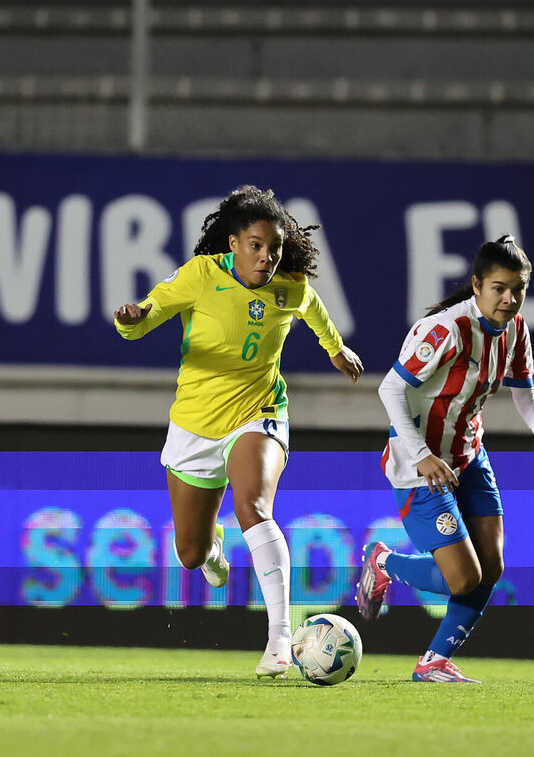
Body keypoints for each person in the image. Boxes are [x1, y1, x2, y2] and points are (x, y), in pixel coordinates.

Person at [114, 185, 364, 678]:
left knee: (254, 505)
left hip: (259, 412)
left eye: (274, 246)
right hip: (195, 424)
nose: (267, 256)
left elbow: (312, 308)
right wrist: (131, 321)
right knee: (189, 553)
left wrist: (335, 349)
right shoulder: (199, 277)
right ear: (233, 244)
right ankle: (213, 547)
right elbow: (146, 319)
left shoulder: (288, 286)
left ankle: (279, 639)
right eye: (256, 245)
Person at [356, 234, 534, 683]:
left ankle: (433, 662)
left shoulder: (515, 328)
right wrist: (424, 454)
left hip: (468, 456)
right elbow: (389, 388)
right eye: (499, 288)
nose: (509, 298)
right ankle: (383, 561)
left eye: (517, 289)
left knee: (492, 567)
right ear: (476, 285)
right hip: (420, 465)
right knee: (464, 579)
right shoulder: (445, 330)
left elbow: (523, 390)